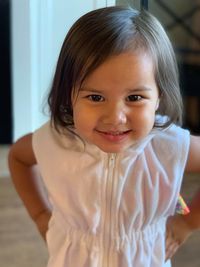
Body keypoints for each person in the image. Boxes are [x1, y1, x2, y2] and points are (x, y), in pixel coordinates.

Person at [8, 6, 200, 267]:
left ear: (159, 97)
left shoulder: (170, 147)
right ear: (69, 95)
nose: (115, 117)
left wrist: (187, 223)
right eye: (95, 97)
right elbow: (18, 158)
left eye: (134, 97)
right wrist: (40, 214)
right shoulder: (54, 141)